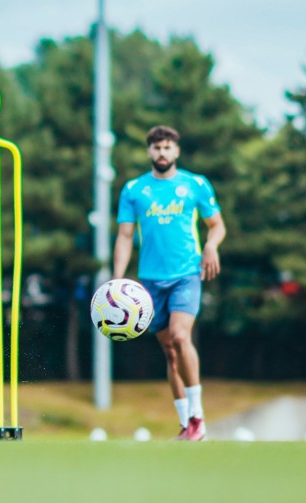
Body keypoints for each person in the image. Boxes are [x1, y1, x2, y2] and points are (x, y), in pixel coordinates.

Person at [112, 125, 226, 441]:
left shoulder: (195, 185)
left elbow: (216, 225)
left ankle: (198, 416)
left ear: (176, 151)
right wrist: (119, 279)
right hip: (150, 282)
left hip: (186, 275)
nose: (161, 153)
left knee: (179, 336)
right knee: (169, 352)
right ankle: (186, 425)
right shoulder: (134, 190)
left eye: (167, 148)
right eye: (156, 148)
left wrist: (211, 245)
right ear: (149, 152)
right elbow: (124, 236)